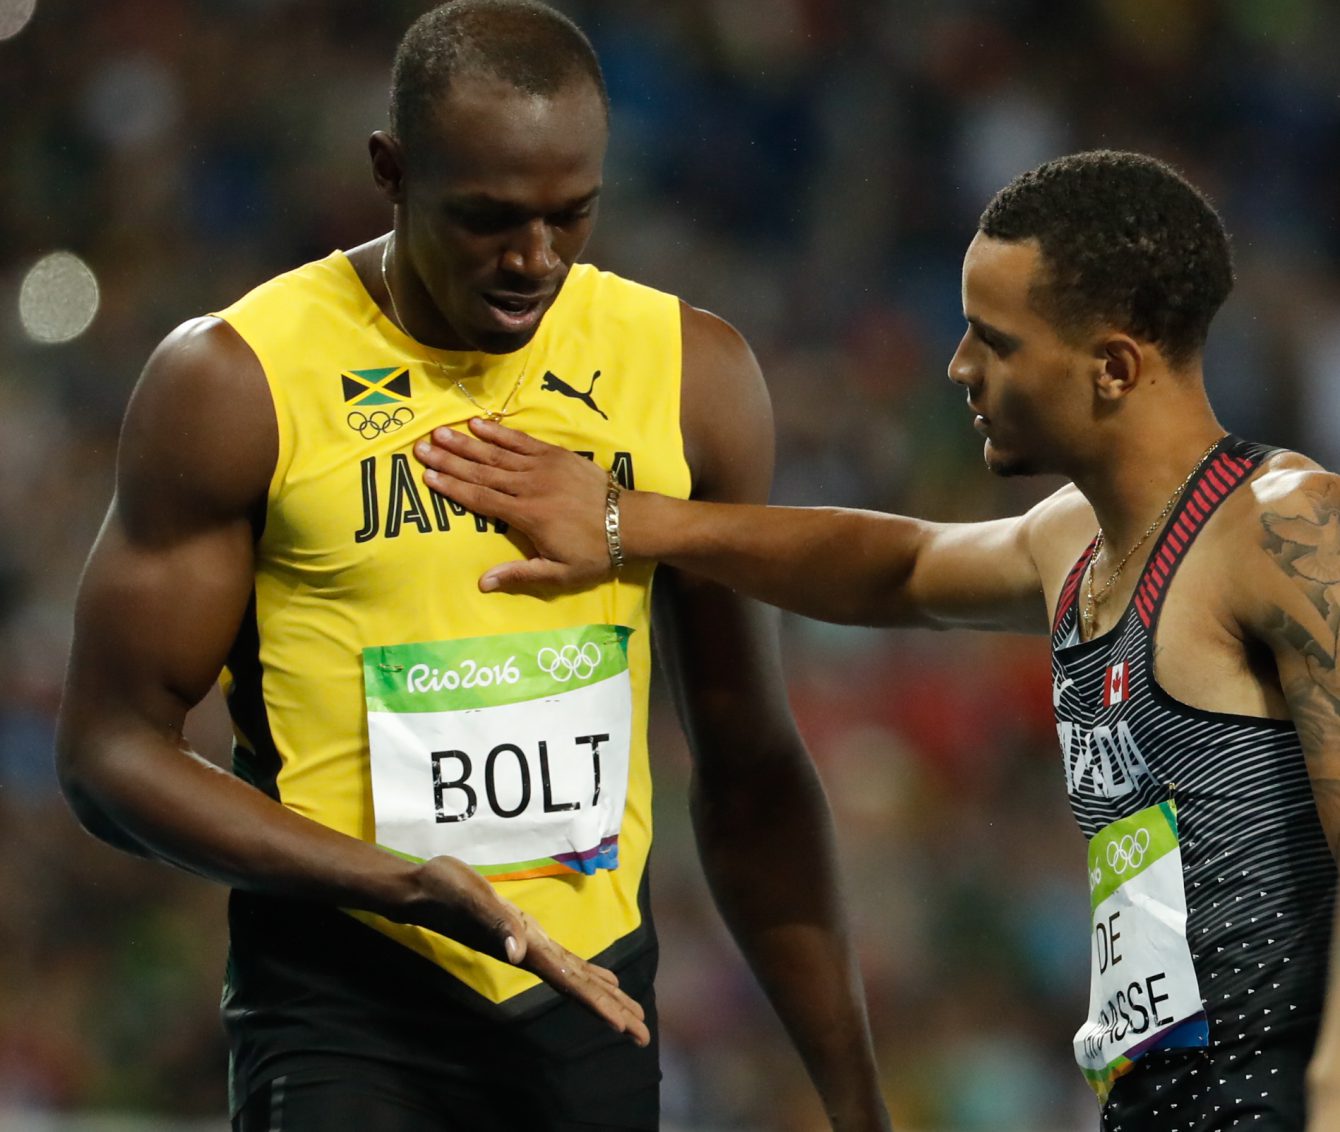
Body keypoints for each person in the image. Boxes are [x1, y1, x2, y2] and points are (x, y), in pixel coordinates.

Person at [54, 2, 892, 1130]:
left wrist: (854, 1098)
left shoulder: (689, 373)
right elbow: (109, 749)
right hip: (347, 1000)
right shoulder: (237, 380)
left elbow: (748, 768)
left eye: (570, 215)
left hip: (593, 1005)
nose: (531, 260)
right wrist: (395, 880)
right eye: (488, 219)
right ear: (389, 171)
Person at [415, 149, 1340, 1130]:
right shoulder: (1072, 541)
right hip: (1155, 1103)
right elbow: (892, 567)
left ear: (1111, 365)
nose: (959, 367)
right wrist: (621, 519)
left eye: (995, 340)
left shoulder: (1284, 531)